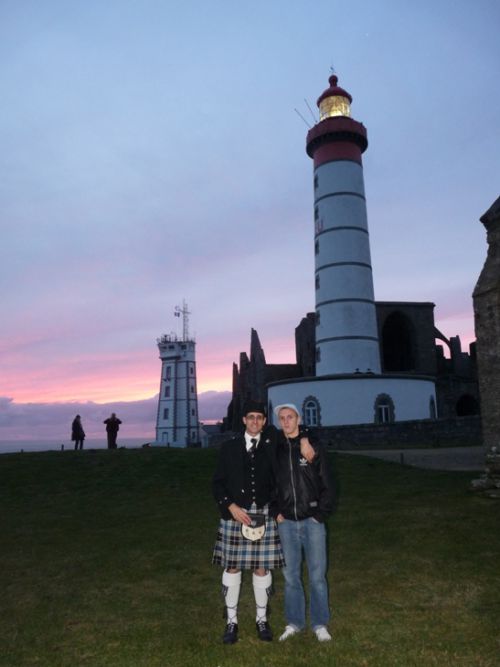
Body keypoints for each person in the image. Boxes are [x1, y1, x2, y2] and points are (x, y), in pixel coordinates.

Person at [212, 400, 284, 645]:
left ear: (264, 421)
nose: (255, 421)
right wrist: (230, 506)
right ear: (243, 420)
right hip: (236, 512)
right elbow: (217, 483)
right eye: (251, 417)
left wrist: (305, 439)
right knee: (232, 566)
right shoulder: (229, 448)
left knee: (261, 567)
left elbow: (297, 430)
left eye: (260, 418)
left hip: (262, 510)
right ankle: (231, 621)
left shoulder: (271, 445)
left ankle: (261, 619)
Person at [274, 403, 335, 643]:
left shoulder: (312, 446)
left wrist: (320, 514)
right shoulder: (276, 450)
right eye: (282, 418)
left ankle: (320, 623)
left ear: (298, 419)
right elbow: (270, 484)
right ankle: (295, 623)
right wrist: (276, 511)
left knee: (317, 576)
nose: (287, 421)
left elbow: (328, 483)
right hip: (286, 522)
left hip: (312, 521)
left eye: (290, 417)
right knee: (290, 576)